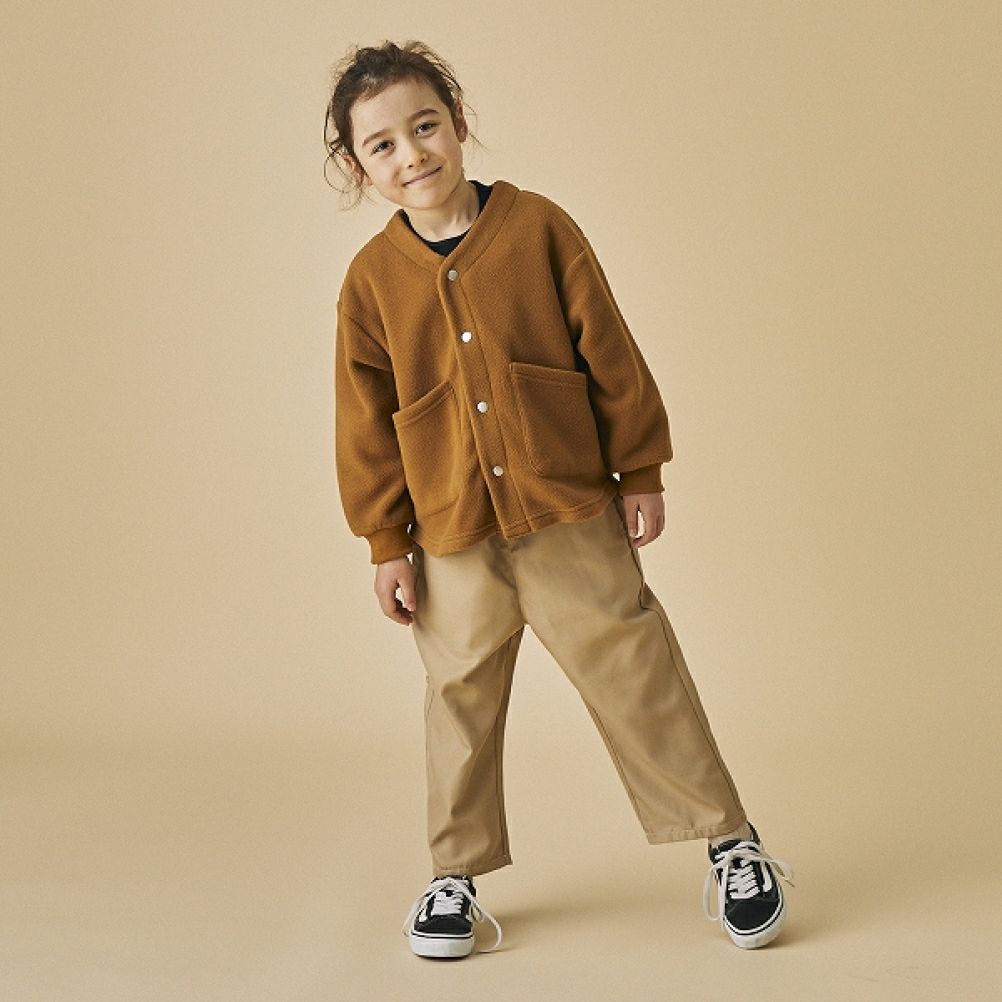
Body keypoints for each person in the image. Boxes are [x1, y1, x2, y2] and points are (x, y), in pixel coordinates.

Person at [325, 39, 794, 960]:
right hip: (451, 528)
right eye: (382, 145)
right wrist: (385, 541)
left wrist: (640, 470)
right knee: (458, 697)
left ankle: (730, 842)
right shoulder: (370, 283)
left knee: (636, 667)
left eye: (425, 127)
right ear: (358, 165)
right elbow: (364, 422)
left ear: (459, 124)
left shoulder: (539, 228)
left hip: (568, 505)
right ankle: (454, 874)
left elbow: (607, 350)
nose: (411, 154)